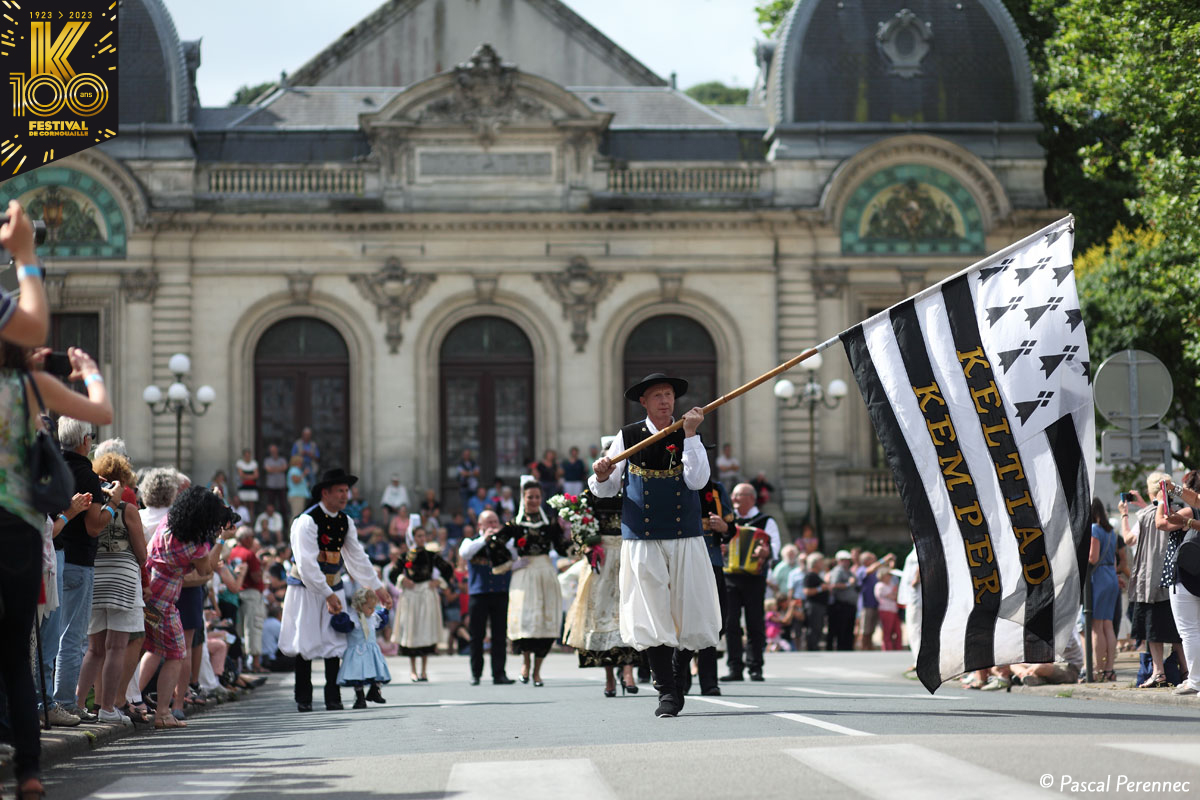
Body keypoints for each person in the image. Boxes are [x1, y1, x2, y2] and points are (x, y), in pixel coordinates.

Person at [0, 337, 111, 800]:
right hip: (18, 528)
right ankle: (28, 770)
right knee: (13, 658)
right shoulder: (26, 388)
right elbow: (100, 412)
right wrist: (90, 373)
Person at [589, 373, 721, 718]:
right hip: (643, 538)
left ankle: (678, 674)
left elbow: (698, 480)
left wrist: (691, 436)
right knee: (651, 614)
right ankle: (666, 691)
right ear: (644, 402)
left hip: (685, 537)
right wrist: (602, 473)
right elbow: (603, 489)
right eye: (657, 396)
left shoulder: (689, 432)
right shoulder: (628, 436)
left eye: (668, 395)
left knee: (690, 611)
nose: (665, 401)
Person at [278, 468, 391, 712]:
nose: (345, 495)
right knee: (305, 641)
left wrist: (377, 587)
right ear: (325, 492)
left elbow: (356, 558)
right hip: (307, 588)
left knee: (335, 640)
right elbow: (306, 563)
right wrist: (326, 592)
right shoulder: (306, 521)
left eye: (346, 490)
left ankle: (333, 696)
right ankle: (304, 698)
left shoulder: (345, 521)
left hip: (333, 585)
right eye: (340, 490)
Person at [137, 487, 226, 729]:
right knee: (176, 653)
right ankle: (163, 713)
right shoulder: (194, 547)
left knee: (154, 650)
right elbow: (207, 570)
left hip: (147, 590)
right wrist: (220, 540)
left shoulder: (168, 523)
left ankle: (132, 699)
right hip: (163, 602)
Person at [76, 452, 146, 726]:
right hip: (123, 579)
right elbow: (141, 553)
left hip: (96, 575)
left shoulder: (92, 505)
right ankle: (107, 708)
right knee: (116, 646)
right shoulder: (127, 509)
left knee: (93, 649)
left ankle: (79, 704)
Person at [563, 481, 640, 698]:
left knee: (629, 611)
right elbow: (579, 524)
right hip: (602, 557)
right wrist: (587, 545)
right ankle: (609, 677)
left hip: (629, 550)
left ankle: (628, 671)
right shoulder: (591, 493)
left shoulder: (633, 486)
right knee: (602, 614)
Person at [492, 477, 569, 686]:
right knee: (526, 619)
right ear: (523, 498)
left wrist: (568, 530)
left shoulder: (551, 522)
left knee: (545, 619)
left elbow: (563, 548)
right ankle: (525, 662)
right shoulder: (515, 525)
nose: (533, 500)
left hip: (545, 572)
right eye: (529, 497)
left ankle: (537, 671)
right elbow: (494, 543)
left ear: (541, 498)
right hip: (524, 574)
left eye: (537, 497)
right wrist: (510, 564)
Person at [1122, 473, 1184, 688]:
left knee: (1153, 630)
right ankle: (1187, 671)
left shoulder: (1145, 516)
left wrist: (1124, 515)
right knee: (1180, 630)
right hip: (1176, 579)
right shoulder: (1180, 511)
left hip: (1150, 580)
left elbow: (1129, 538)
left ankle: (1158, 672)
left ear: (1150, 492)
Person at [676, 477, 735, 696]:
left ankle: (709, 680)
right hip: (684, 563)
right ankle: (680, 677)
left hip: (713, 561)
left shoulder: (716, 489)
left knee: (714, 622)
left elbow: (732, 529)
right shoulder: (675, 484)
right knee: (684, 622)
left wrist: (724, 527)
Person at [721, 482, 780, 682]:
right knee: (731, 623)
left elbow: (775, 548)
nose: (734, 499)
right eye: (734, 495)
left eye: (739, 496)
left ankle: (756, 667)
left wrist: (766, 552)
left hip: (755, 577)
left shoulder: (765, 521)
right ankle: (735, 667)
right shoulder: (729, 520)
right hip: (730, 576)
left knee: (755, 622)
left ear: (751, 498)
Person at [459, 509, 516, 685]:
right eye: (488, 522)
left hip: (500, 592)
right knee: (477, 635)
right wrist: (485, 539)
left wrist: (500, 539)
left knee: (500, 635)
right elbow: (465, 553)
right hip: (479, 593)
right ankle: (476, 673)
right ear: (480, 525)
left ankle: (499, 673)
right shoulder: (471, 541)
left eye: (494, 522)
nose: (492, 526)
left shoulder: (505, 542)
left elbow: (514, 554)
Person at [392, 525, 455, 682]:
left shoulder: (431, 555)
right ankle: (413, 670)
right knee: (412, 630)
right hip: (411, 594)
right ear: (413, 538)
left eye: (423, 536)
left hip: (426, 592)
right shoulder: (406, 556)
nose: (421, 539)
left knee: (425, 629)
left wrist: (438, 581)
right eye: (418, 536)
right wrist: (402, 580)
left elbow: (448, 569)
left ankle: (424, 670)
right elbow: (393, 573)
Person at [1158, 471, 1200, 696]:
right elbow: (1196, 500)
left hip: (1188, 572)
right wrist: (1172, 488)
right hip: (1189, 570)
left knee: (1190, 630)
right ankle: (1195, 680)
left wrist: (1186, 521)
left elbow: (1161, 523)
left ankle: (1196, 681)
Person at [338, 587, 391, 708]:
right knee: (358, 676)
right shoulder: (352, 618)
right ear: (359, 605)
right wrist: (337, 616)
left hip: (372, 651)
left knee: (378, 672)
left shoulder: (372, 618)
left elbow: (381, 621)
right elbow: (342, 626)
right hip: (357, 651)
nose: (372, 610)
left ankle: (374, 691)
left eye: (373, 607)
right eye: (369, 607)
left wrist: (386, 610)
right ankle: (360, 697)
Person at [1089, 497, 1120, 681]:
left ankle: (1098, 670)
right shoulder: (1111, 531)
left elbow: (1093, 557)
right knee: (1108, 625)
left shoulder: (1094, 529)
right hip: (1111, 575)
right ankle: (1109, 669)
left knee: (1096, 626)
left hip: (1099, 576)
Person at [230, 527, 267, 674]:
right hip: (251, 594)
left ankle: (242, 663)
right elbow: (256, 577)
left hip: (238, 593)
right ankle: (256, 664)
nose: (252, 539)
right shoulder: (249, 554)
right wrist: (262, 567)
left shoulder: (232, 552)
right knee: (253, 628)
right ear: (246, 538)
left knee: (240, 629)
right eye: (251, 537)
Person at [826, 550, 860, 652]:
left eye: (847, 560)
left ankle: (847, 647)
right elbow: (834, 585)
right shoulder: (838, 571)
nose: (846, 562)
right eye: (843, 560)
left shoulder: (849, 571)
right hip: (841, 605)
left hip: (850, 605)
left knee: (849, 629)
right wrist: (848, 584)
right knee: (842, 629)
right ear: (838, 561)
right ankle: (842, 648)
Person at [799, 552, 830, 651]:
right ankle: (812, 648)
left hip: (819, 605)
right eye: (821, 562)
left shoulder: (817, 575)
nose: (823, 564)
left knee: (818, 627)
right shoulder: (810, 576)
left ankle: (814, 646)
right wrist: (821, 588)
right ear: (815, 563)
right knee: (814, 627)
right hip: (813, 605)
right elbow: (807, 591)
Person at [874, 564, 902, 650]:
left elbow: (896, 596)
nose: (890, 577)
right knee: (887, 631)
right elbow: (892, 596)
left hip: (893, 610)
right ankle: (887, 649)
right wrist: (894, 594)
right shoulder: (880, 585)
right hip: (885, 610)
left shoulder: (890, 584)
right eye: (888, 575)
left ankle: (898, 648)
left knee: (898, 631)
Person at [261, 444, 289, 524]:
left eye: (275, 450)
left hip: (281, 486)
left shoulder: (282, 459)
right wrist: (279, 469)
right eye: (272, 451)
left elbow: (284, 468)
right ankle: (268, 522)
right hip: (271, 486)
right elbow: (268, 469)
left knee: (282, 505)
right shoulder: (267, 460)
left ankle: (284, 523)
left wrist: (273, 469)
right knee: (270, 504)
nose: (274, 452)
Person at [235, 448, 260, 513]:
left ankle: (251, 522)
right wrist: (252, 476)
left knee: (251, 506)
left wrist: (246, 476)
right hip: (243, 487)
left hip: (252, 487)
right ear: (243, 456)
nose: (247, 457)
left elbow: (256, 475)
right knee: (244, 506)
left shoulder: (254, 463)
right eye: (246, 456)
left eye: (248, 456)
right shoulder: (240, 463)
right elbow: (241, 475)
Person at [286, 455, 309, 519]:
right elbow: (295, 481)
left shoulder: (297, 470)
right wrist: (304, 474)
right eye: (300, 462)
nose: (302, 464)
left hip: (299, 495)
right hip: (296, 496)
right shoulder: (294, 470)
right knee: (296, 514)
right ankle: (293, 528)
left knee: (299, 514)